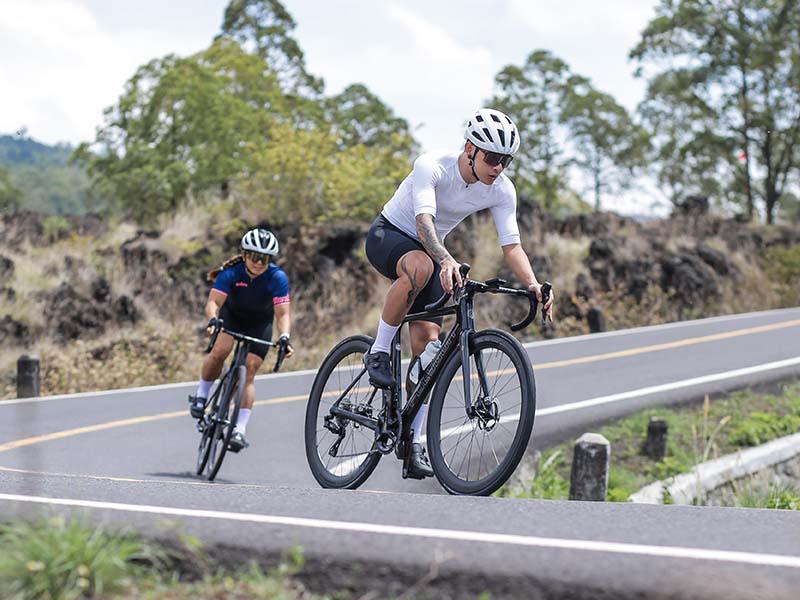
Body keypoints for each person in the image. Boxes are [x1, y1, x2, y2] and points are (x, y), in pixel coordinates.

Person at [364, 108, 554, 479]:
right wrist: (447, 259)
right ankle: (379, 351)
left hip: (433, 251)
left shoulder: (501, 190)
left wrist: (533, 284)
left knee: (428, 350)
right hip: (391, 236)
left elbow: (511, 246)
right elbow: (424, 223)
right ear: (469, 148)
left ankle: (413, 443)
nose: (499, 167)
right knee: (421, 265)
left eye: (506, 160)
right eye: (492, 158)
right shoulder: (432, 165)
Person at [188, 228, 294, 452]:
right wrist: (213, 320)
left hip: (259, 324)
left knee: (250, 371)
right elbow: (213, 303)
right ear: (244, 255)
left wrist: (285, 335)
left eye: (264, 259)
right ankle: (201, 395)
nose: (258, 262)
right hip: (232, 318)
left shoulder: (277, 277)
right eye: (254, 257)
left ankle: (239, 429)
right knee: (220, 351)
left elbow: (283, 313)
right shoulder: (231, 273)